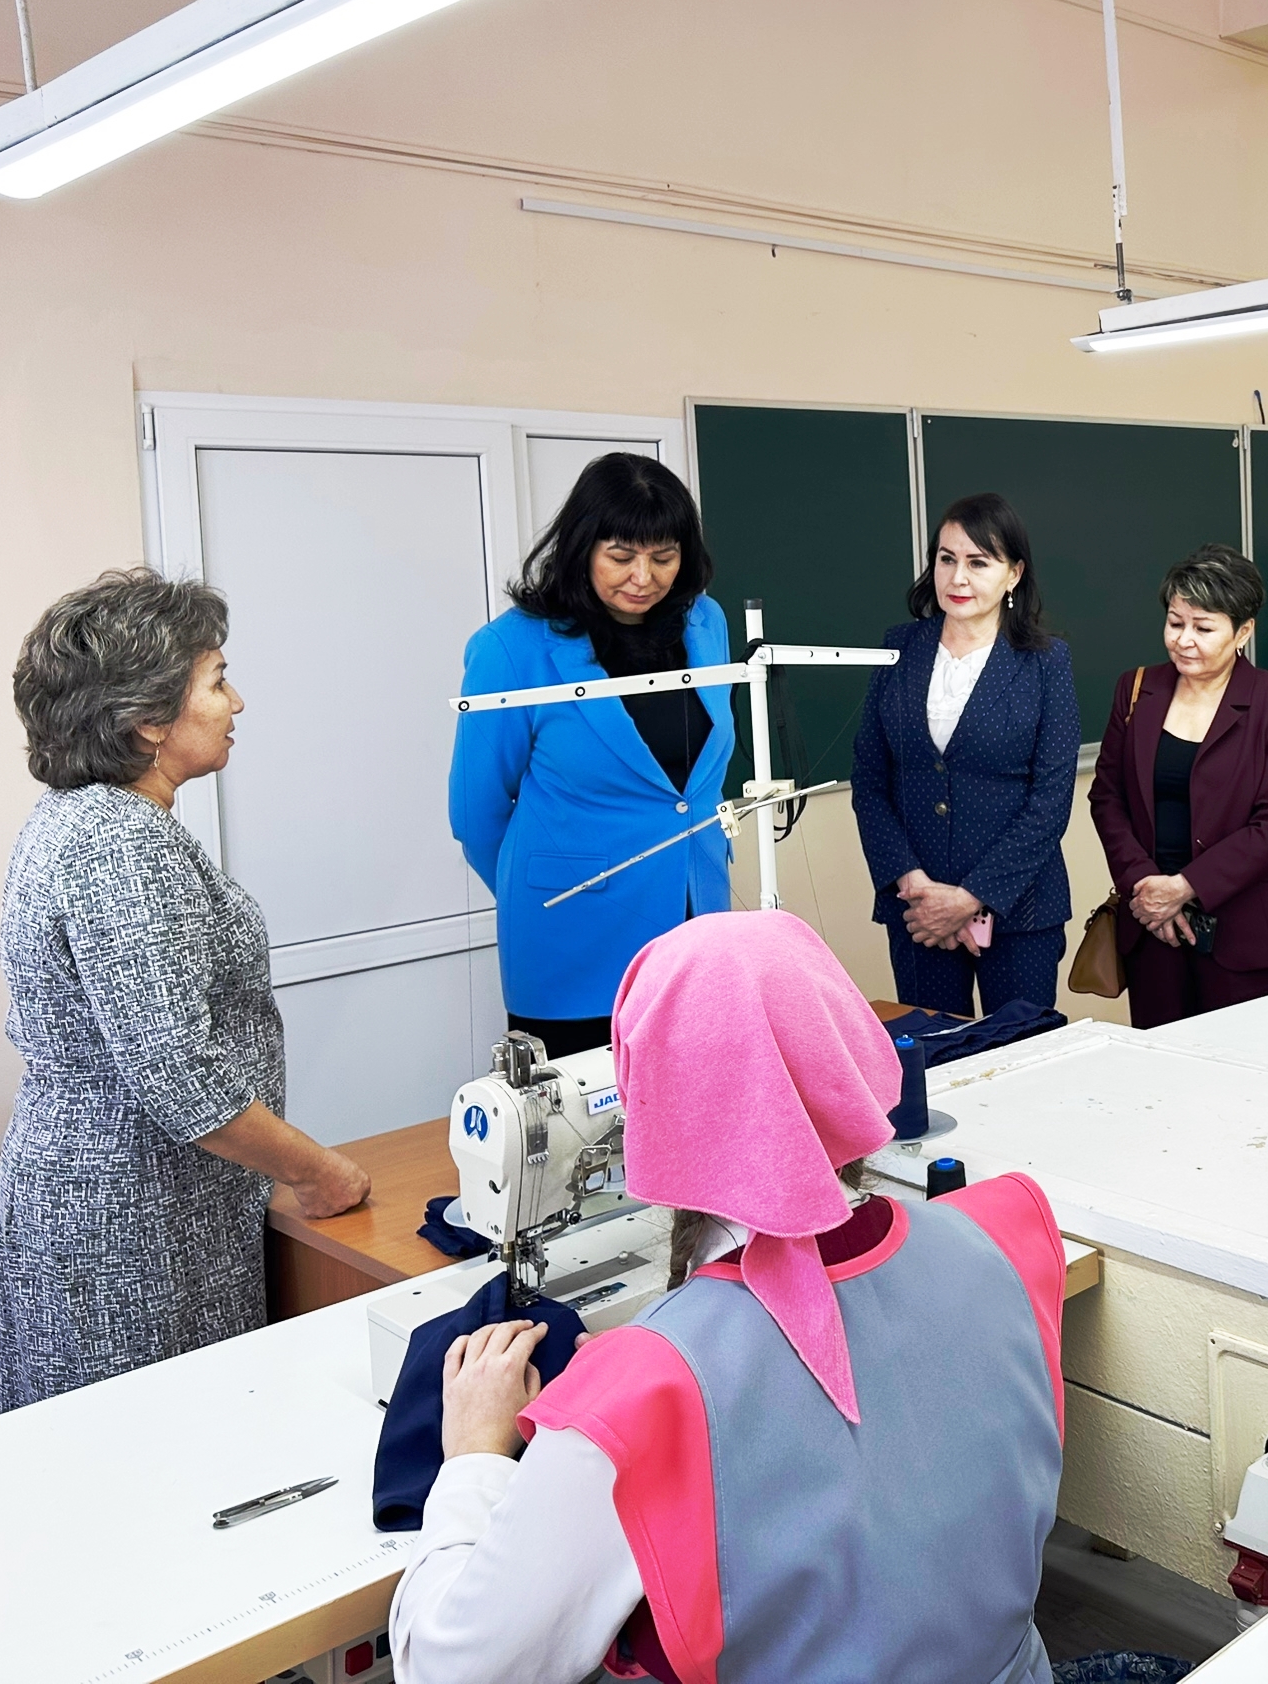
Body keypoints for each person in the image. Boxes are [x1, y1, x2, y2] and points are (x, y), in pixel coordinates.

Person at [387, 911, 1068, 1684]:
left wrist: (475, 1454)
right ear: (847, 1052)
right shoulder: (998, 1243)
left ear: (650, 1099)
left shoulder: (647, 1395)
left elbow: (449, 1669)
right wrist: (655, 1378)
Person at [0, 569, 370, 1412]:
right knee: (149, 1445)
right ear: (148, 720)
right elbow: (181, 1077)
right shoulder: (120, 844)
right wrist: (318, 1173)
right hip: (136, 1214)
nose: (237, 703)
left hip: (123, 1191)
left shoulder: (79, 818)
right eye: (217, 681)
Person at [449, 454, 734, 1058]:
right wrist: (554, 888)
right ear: (581, 547)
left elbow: (691, 782)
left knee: (699, 1102)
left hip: (698, 925)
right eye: (621, 556)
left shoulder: (705, 623)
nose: (644, 577)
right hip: (573, 941)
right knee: (586, 1114)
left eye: (664, 557)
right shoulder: (511, 648)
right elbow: (476, 814)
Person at [850, 494, 1080, 1017]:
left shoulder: (1046, 661)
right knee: (932, 1052)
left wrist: (970, 898)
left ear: (1013, 574)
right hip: (919, 912)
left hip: (1020, 910)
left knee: (1019, 1052)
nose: (958, 578)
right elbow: (869, 780)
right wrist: (915, 886)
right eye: (947, 558)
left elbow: (1050, 801)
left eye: (979, 563)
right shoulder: (899, 648)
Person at [1089, 544, 1268, 1026]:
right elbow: (1107, 797)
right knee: (1160, 1061)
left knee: (1248, 1059)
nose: (1183, 640)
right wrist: (1146, 886)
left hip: (1246, 930)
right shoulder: (1135, 689)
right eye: (1175, 623)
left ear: (1243, 631)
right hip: (1153, 924)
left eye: (1203, 628)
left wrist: (1186, 887)